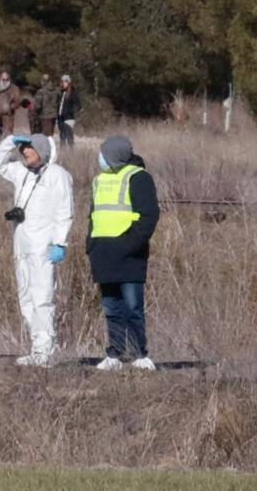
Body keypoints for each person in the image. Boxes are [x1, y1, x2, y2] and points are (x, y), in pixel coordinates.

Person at [0, 133, 73, 366]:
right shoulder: (20, 171)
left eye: (30, 149)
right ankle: (38, 346)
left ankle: (47, 348)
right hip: (21, 244)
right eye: (23, 149)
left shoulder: (58, 175)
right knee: (25, 296)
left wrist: (60, 242)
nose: (25, 152)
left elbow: (65, 211)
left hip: (43, 246)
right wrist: (10, 141)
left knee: (42, 296)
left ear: (43, 151)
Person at [87, 136, 160, 371]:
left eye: (103, 153)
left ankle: (139, 354)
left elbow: (148, 216)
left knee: (132, 307)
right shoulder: (99, 180)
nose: (100, 158)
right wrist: (91, 244)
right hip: (103, 253)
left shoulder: (138, 178)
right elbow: (94, 215)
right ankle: (115, 353)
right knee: (111, 307)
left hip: (129, 256)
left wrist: (130, 245)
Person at [0, 71, 22, 137]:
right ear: (0, 79)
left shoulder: (15, 88)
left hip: (9, 115)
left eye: (7, 79)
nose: (5, 81)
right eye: (3, 79)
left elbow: (17, 101)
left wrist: (11, 107)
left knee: (8, 135)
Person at [57, 73, 81, 148]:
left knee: (69, 137)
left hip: (69, 118)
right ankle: (63, 153)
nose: (63, 83)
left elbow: (78, 105)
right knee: (62, 137)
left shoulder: (73, 93)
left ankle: (72, 154)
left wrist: (70, 111)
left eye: (65, 81)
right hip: (60, 118)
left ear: (69, 82)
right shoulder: (61, 93)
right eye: (62, 81)